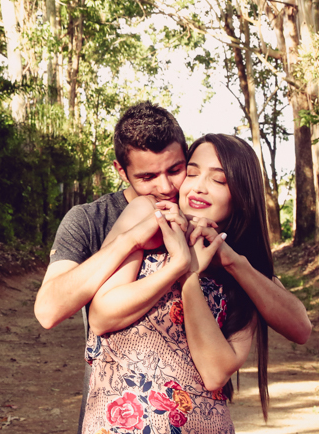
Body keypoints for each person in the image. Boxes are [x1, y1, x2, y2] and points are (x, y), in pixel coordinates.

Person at [80, 133, 276, 432]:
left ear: (241, 195)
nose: (198, 187)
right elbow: (102, 316)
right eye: (192, 172)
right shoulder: (149, 216)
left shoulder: (239, 268)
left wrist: (189, 276)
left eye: (219, 181)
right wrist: (177, 264)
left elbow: (214, 373)